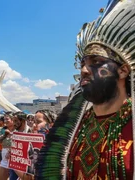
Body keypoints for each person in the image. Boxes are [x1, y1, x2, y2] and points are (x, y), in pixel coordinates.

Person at [35, 0, 135, 179]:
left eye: (95, 62)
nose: (83, 70)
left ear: (123, 70)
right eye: (82, 64)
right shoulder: (76, 126)